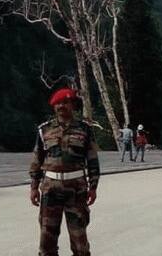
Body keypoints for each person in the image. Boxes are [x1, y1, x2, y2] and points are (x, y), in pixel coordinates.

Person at [29, 88, 100, 256]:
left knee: (79, 241)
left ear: (72, 105)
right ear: (54, 106)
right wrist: (34, 187)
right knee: (47, 241)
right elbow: (37, 159)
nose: (61, 106)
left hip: (76, 189)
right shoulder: (44, 130)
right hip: (50, 189)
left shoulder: (85, 130)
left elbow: (92, 160)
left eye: (65, 102)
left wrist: (93, 186)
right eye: (58, 103)